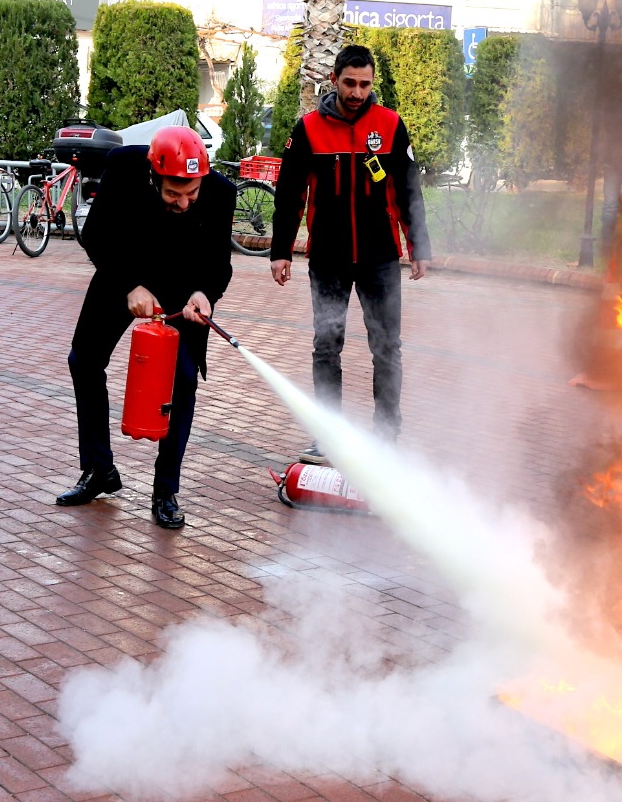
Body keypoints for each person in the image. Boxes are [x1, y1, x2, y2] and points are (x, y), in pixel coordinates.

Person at [53, 125, 236, 530]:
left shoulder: (221, 192)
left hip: (183, 288)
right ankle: (99, 470)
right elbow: (95, 236)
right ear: (155, 174)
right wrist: (130, 286)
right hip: (123, 274)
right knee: (83, 362)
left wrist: (205, 294)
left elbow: (219, 263)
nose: (184, 203)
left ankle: (165, 490)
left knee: (184, 380)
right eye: (173, 193)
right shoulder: (122, 167)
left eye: (192, 193)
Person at [271, 45, 432, 463]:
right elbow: (289, 195)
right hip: (328, 259)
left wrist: (419, 248)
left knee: (387, 347)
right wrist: (280, 251)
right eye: (350, 83)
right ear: (334, 80)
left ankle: (386, 436)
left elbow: (410, 191)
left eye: (364, 84)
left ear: (371, 83)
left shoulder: (391, 126)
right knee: (327, 345)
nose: (358, 92)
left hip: (380, 259)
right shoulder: (307, 129)